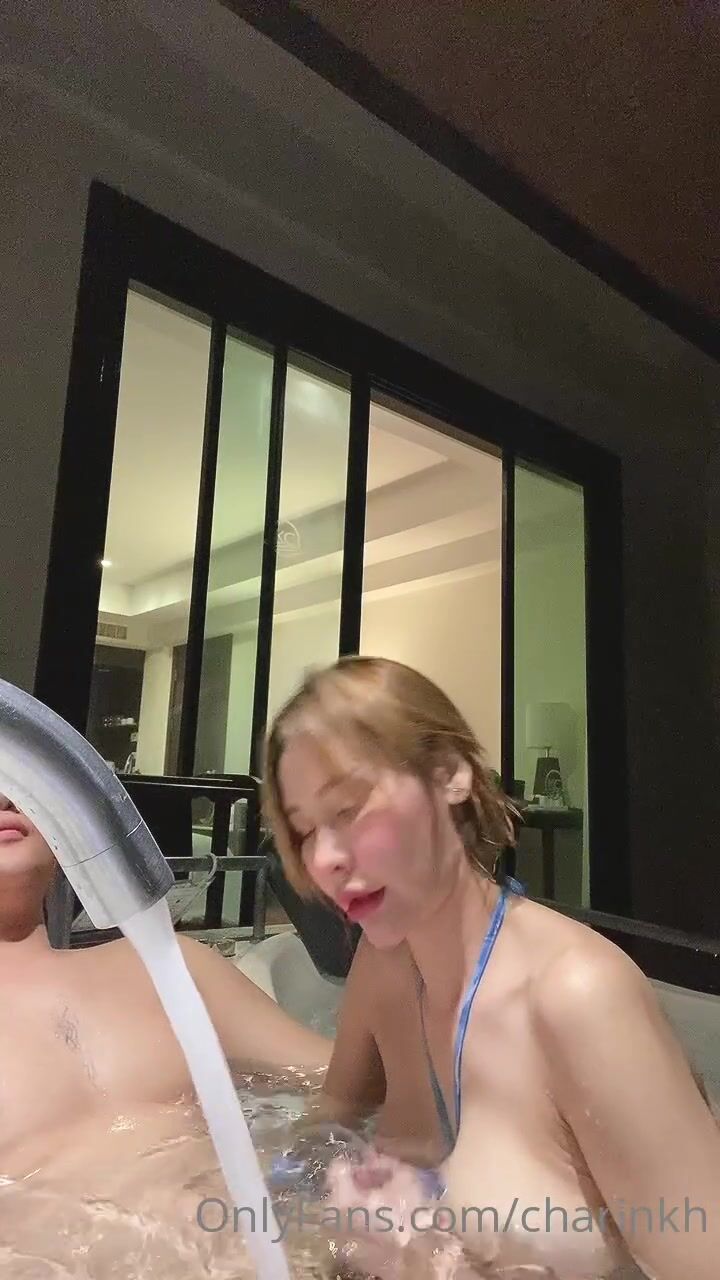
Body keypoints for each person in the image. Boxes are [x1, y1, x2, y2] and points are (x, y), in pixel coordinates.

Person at [263, 656, 720, 1279]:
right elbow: (329, 1118)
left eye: (346, 810)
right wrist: (289, 1204)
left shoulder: (577, 996)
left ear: (449, 774)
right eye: (304, 832)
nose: (324, 860)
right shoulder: (384, 965)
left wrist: (423, 1260)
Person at [0, 790, 330, 1180]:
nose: (4, 798)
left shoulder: (171, 969)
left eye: (16, 780)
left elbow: (352, 1089)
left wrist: (385, 954)